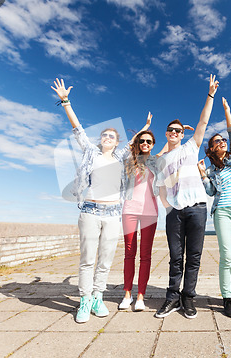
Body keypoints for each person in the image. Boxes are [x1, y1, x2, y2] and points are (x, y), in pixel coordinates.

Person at [51, 78, 132, 323]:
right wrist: (66, 101)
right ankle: (84, 300)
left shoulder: (121, 157)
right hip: (89, 210)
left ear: (117, 142)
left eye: (112, 136)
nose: (107, 137)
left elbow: (137, 144)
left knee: (105, 260)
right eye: (104, 135)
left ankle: (98, 296)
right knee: (87, 259)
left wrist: (147, 126)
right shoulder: (90, 152)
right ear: (100, 139)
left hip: (112, 214)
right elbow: (78, 129)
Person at [154, 74, 219, 319]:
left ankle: (188, 298)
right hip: (175, 212)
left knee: (194, 256)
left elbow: (203, 121)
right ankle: (172, 298)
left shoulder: (191, 146)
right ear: (167, 133)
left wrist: (210, 94)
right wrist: (167, 207)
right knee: (174, 257)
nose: (174, 132)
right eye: (170, 130)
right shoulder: (162, 160)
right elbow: (160, 186)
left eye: (178, 130)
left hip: (197, 209)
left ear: (183, 134)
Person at [197, 97, 231, 318]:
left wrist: (228, 109)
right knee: (227, 256)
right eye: (216, 141)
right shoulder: (211, 169)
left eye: (222, 140)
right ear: (211, 148)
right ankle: (227, 298)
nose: (222, 142)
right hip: (222, 213)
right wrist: (203, 175)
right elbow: (210, 193)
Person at [118, 117, 159, 312]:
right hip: (129, 211)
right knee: (129, 253)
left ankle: (141, 296)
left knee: (145, 255)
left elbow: (170, 146)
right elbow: (129, 145)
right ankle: (127, 293)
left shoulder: (156, 161)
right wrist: (145, 127)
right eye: (142, 141)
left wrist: (179, 130)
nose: (144, 143)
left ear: (153, 145)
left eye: (148, 141)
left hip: (150, 214)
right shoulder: (130, 160)